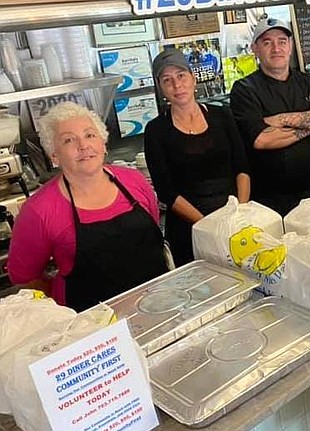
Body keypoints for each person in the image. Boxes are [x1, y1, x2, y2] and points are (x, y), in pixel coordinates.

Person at [7, 102, 168, 312]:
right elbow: (25, 278)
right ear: (54, 155)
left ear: (103, 143)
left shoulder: (135, 181)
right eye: (68, 140)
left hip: (160, 305)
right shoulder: (39, 210)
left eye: (90, 135)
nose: (83, 146)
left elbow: (154, 227)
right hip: (94, 328)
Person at [145, 49, 251, 266]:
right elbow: (167, 192)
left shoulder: (222, 115)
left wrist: (241, 212)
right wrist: (207, 227)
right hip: (190, 229)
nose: (177, 85)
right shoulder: (156, 130)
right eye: (167, 80)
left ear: (193, 78)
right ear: (160, 87)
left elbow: (242, 166)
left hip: (234, 218)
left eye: (181, 76)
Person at [230, 17, 310, 215]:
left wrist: (278, 120)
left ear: (290, 46)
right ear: (255, 48)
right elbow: (262, 139)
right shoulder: (244, 90)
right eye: (267, 42)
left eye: (282, 41)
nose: (276, 48)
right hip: (270, 202)